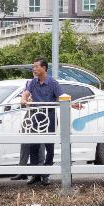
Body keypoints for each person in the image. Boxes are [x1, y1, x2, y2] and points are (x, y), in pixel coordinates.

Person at [17, 58, 61, 186]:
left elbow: (62, 96)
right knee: (33, 146)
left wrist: (73, 105)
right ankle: (35, 174)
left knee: (49, 147)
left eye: (36, 66)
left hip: (49, 116)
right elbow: (25, 93)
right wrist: (23, 99)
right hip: (35, 116)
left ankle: (45, 175)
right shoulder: (33, 82)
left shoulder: (53, 83)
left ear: (44, 68)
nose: (34, 69)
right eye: (33, 67)